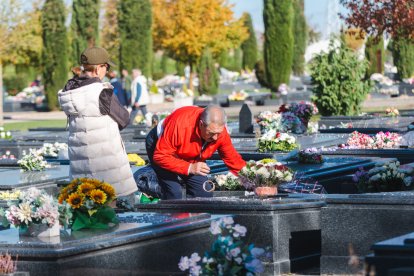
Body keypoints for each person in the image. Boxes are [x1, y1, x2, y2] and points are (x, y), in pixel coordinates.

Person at [58, 46, 137, 199]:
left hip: (80, 161)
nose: (106, 72)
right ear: (98, 68)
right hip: (104, 161)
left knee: (86, 208)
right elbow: (124, 119)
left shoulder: (70, 90)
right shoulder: (101, 92)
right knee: (108, 209)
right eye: (106, 67)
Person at [145, 105, 246, 200]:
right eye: (211, 133)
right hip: (160, 147)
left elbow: (232, 159)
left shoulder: (219, 132)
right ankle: (172, 215)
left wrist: (254, 182)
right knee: (174, 192)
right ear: (201, 124)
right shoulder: (180, 125)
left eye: (218, 133)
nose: (215, 138)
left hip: (189, 154)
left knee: (204, 191)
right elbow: (160, 156)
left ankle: (195, 217)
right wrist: (189, 168)